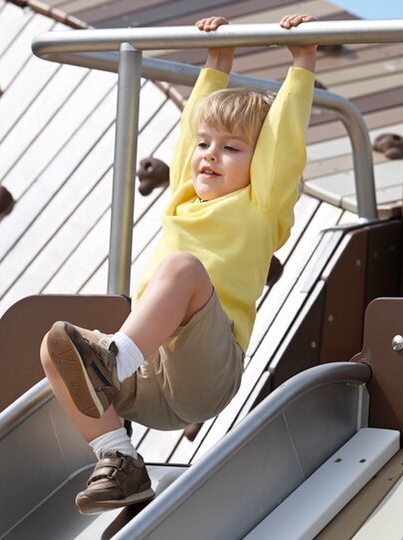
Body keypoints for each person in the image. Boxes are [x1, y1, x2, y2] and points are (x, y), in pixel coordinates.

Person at [40, 13, 318, 514]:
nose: (209, 156)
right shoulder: (183, 198)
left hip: (206, 370)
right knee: (57, 345)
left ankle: (112, 362)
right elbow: (191, 135)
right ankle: (118, 460)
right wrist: (217, 61)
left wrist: (302, 63)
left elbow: (282, 149)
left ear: (257, 165)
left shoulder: (261, 205)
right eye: (207, 147)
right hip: (148, 376)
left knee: (184, 269)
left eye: (231, 149)